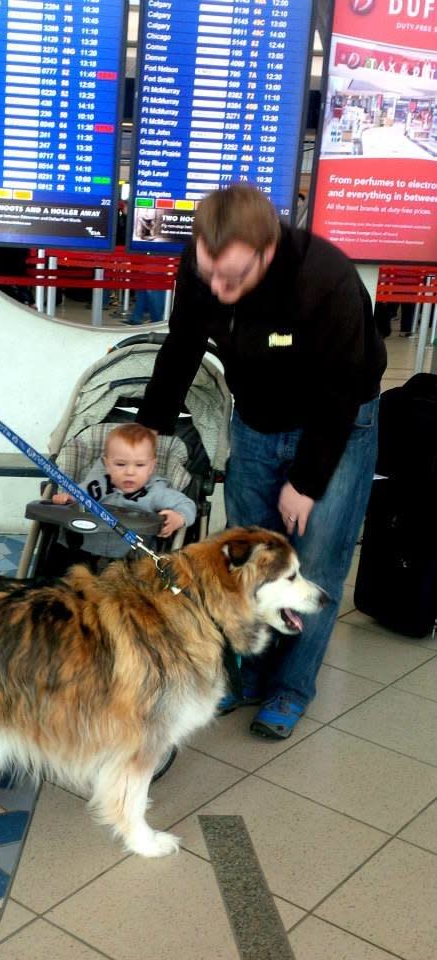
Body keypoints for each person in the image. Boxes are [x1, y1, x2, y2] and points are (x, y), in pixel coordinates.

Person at [137, 183, 387, 739]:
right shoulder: (202, 266)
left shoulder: (326, 280)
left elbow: (341, 392)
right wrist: (150, 427)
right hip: (254, 418)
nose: (220, 290)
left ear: (268, 250)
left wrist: (305, 480)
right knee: (245, 552)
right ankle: (247, 671)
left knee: (315, 555)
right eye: (210, 275)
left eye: (235, 277)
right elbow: (181, 344)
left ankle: (290, 687)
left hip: (336, 423)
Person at [49, 423, 196, 570]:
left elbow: (187, 504)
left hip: (132, 561)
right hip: (83, 552)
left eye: (139, 465)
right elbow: (78, 494)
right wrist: (67, 498)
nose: (130, 472)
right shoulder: (97, 484)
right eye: (120, 464)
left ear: (151, 466)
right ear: (107, 464)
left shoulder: (156, 491)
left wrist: (179, 517)